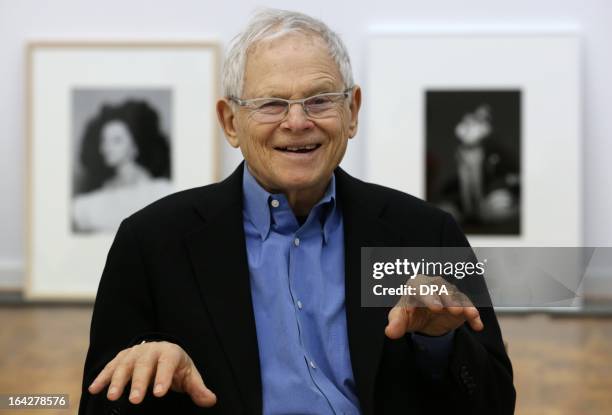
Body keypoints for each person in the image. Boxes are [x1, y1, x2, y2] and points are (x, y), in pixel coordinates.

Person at [79, 9, 515, 415]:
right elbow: (97, 405)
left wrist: (440, 343)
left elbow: (496, 403)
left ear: (352, 112)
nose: (297, 122)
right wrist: (150, 375)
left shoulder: (424, 233)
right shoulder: (151, 242)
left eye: (320, 99)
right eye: (271, 104)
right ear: (230, 122)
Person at [72, 100, 173, 233]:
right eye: (104, 140)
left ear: (135, 144)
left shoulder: (164, 192)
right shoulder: (88, 204)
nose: (107, 147)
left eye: (116, 140)